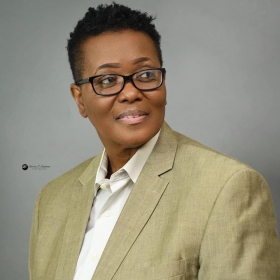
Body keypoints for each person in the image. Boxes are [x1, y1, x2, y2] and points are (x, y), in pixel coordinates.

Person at [29, 3, 280, 280]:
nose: (131, 93)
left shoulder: (228, 188)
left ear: (164, 83)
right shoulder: (51, 201)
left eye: (146, 75)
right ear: (80, 99)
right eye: (108, 79)